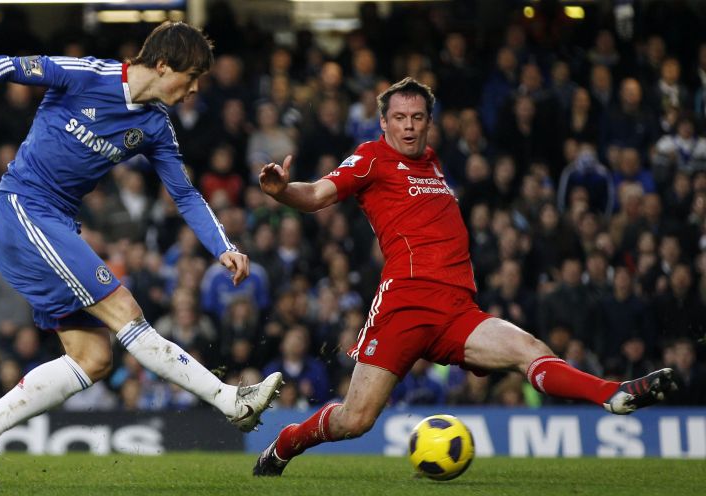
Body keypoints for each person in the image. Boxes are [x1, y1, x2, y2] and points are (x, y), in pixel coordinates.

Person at [252, 77, 676, 476]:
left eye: (417, 118)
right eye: (399, 118)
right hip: (406, 304)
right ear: (383, 122)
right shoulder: (370, 157)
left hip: (458, 309)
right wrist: (284, 192)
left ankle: (612, 395)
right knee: (355, 419)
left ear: (429, 123)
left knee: (529, 349)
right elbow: (317, 195)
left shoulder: (434, 162)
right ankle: (286, 444)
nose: (409, 127)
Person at [0, 21, 283, 485]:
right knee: (126, 310)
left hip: (55, 222)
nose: (196, 88)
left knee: (94, 358)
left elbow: (185, 195)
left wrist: (225, 247)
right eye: (192, 76)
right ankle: (230, 400)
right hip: (24, 209)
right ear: (162, 65)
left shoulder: (155, 124)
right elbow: (7, 64)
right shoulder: (86, 74)